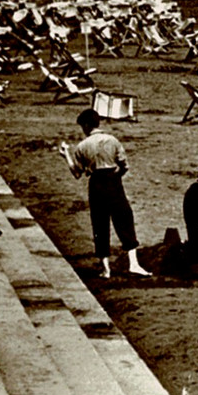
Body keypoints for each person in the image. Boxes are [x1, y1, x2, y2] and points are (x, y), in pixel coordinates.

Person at [62, 108, 149, 279]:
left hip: (96, 184)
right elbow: (124, 165)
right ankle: (134, 264)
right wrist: (116, 177)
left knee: (99, 224)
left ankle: (106, 269)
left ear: (86, 125)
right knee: (124, 219)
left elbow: (77, 173)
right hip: (114, 181)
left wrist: (65, 155)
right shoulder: (112, 140)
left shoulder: (82, 146)